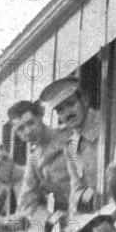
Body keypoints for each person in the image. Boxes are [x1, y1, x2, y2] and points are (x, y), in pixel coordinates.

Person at [40, 78, 101, 215]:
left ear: (84, 100)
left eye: (71, 104)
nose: (67, 113)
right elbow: (76, 189)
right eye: (61, 110)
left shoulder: (109, 124)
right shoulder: (71, 147)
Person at [8, 100, 72, 227]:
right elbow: (27, 202)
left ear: (40, 116)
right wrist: (49, 217)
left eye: (31, 123)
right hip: (71, 219)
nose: (27, 131)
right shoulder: (34, 160)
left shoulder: (70, 135)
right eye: (20, 129)